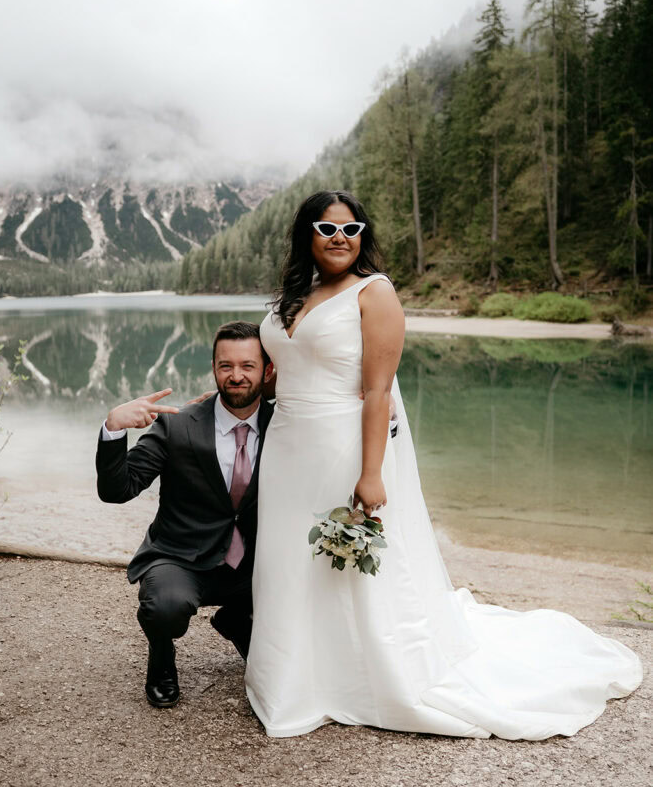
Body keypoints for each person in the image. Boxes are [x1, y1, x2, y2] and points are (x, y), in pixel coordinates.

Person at [245, 190, 643, 739]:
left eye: (351, 228)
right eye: (327, 227)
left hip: (342, 444)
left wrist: (371, 472)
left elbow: (379, 392)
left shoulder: (374, 293)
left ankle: (348, 678)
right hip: (288, 446)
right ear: (305, 234)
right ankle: (292, 674)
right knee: (290, 556)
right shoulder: (299, 294)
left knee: (345, 564)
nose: (340, 237)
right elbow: (274, 368)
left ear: (362, 236)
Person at [96, 321, 273, 708]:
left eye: (248, 365)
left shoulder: (287, 425)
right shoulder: (176, 424)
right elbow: (117, 490)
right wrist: (113, 427)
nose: (236, 375)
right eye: (226, 366)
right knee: (164, 609)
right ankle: (161, 654)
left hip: (256, 564)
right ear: (213, 367)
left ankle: (237, 620)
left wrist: (382, 417)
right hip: (182, 557)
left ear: (267, 371)